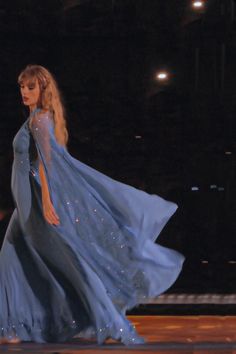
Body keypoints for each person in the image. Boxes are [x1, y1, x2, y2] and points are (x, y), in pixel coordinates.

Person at [0, 64, 184, 345]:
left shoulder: (39, 121)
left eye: (31, 87)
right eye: (22, 87)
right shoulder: (38, 118)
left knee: (59, 260)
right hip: (27, 198)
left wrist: (48, 202)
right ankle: (18, 326)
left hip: (35, 201)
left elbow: (48, 164)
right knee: (19, 257)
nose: (24, 92)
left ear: (43, 89)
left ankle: (102, 319)